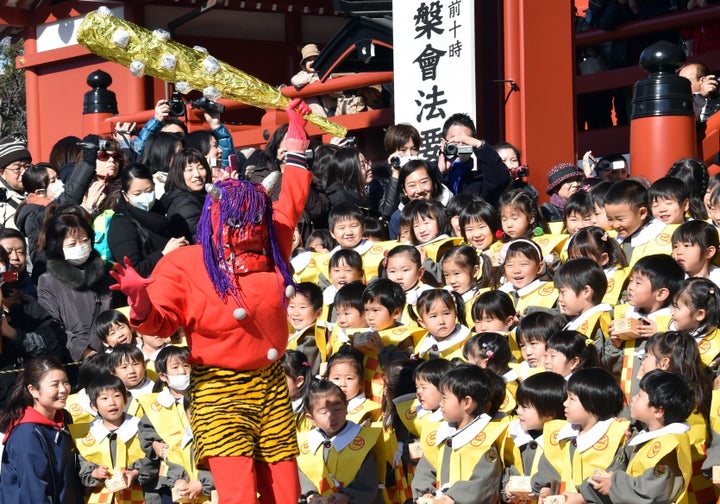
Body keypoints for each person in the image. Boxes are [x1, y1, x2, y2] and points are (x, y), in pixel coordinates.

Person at [110, 99, 313, 504]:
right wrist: (141, 302)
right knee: (238, 494)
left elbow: (292, 196)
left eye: (254, 218)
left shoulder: (273, 244)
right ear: (217, 220)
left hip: (271, 383)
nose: (249, 228)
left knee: (285, 490)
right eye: (238, 220)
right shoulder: (188, 264)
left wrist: (297, 138)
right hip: (220, 390)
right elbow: (162, 325)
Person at [583, 370, 693, 504]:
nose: (633, 398)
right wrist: (584, 494)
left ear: (658, 411)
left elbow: (651, 493)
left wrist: (614, 484)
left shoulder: (668, 445)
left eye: (640, 395)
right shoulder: (644, 436)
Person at [411, 364, 507, 504]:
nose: (441, 403)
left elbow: (484, 482)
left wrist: (452, 497)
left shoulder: (487, 438)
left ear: (467, 402)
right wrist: (424, 493)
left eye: (445, 398)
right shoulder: (442, 432)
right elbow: (426, 468)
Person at [37, 207, 120, 361]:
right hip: (81, 360)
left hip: (118, 354)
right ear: (58, 247)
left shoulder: (108, 271)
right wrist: (83, 351)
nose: (80, 247)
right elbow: (51, 325)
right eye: (72, 244)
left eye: (84, 240)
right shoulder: (48, 281)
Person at [532, 368, 629, 499]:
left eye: (572, 398)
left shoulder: (617, 435)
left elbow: (613, 480)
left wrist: (583, 497)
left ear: (592, 402)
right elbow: (550, 467)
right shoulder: (562, 434)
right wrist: (545, 489)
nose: (565, 403)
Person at [0, 356, 82, 504]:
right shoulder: (27, 435)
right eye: (55, 384)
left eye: (65, 382)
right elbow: (34, 494)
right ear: (33, 390)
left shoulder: (65, 418)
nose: (63, 389)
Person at [72, 374, 158, 503]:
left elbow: (154, 458)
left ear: (125, 399)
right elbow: (82, 463)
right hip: (103, 496)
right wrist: (95, 473)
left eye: (117, 396)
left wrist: (135, 472)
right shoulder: (87, 434)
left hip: (141, 494)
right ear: (93, 406)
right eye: (104, 398)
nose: (112, 402)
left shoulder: (141, 427)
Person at [297, 379, 382, 503]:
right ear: (311, 418)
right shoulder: (304, 443)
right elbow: (300, 475)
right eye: (324, 412)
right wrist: (309, 493)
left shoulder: (363, 440)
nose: (332, 416)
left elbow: (368, 480)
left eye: (337, 409)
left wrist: (348, 496)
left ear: (346, 407)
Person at [108, 163, 188, 276]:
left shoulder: (160, 210)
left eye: (149, 190)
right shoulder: (121, 224)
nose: (145, 197)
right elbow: (133, 271)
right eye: (137, 193)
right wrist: (164, 253)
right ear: (125, 195)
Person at [502, 372, 566, 502]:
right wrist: (506, 486)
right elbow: (504, 468)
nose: (518, 411)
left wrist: (545, 488)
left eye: (525, 407)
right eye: (518, 405)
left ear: (549, 413)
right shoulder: (510, 435)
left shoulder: (563, 440)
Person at [435, 112, 511, 205]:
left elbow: (500, 180)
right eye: (454, 140)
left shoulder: (478, 181)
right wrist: (440, 172)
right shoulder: (430, 171)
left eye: (465, 141)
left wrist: (480, 146)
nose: (460, 145)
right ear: (444, 142)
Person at [388, 159, 454, 239]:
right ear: (404, 190)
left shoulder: (452, 208)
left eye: (424, 182)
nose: (419, 190)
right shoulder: (398, 218)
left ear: (433, 182)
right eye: (412, 185)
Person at [554, 258, 611, 347]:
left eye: (562, 292)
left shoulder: (601, 321)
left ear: (586, 292)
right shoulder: (574, 321)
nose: (560, 298)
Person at [161, 147, 211, 243]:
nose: (197, 174)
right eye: (189, 170)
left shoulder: (199, 196)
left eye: (201, 168)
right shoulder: (184, 203)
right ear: (178, 174)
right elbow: (202, 238)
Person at [413, 289, 470, 360]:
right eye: (433, 316)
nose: (441, 321)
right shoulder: (422, 348)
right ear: (422, 322)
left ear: (455, 314)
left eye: (446, 313)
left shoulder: (470, 343)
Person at [290, 43, 337, 118]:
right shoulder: (303, 74)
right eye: (309, 60)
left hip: (334, 116)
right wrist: (313, 77)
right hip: (317, 120)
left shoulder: (328, 73)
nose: (312, 62)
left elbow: (338, 93)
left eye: (315, 59)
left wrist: (322, 82)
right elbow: (295, 81)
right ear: (304, 65)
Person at [0, 135, 31, 229]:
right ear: (2, 172)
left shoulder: (38, 190)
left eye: (27, 166)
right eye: (17, 168)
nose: (24, 172)